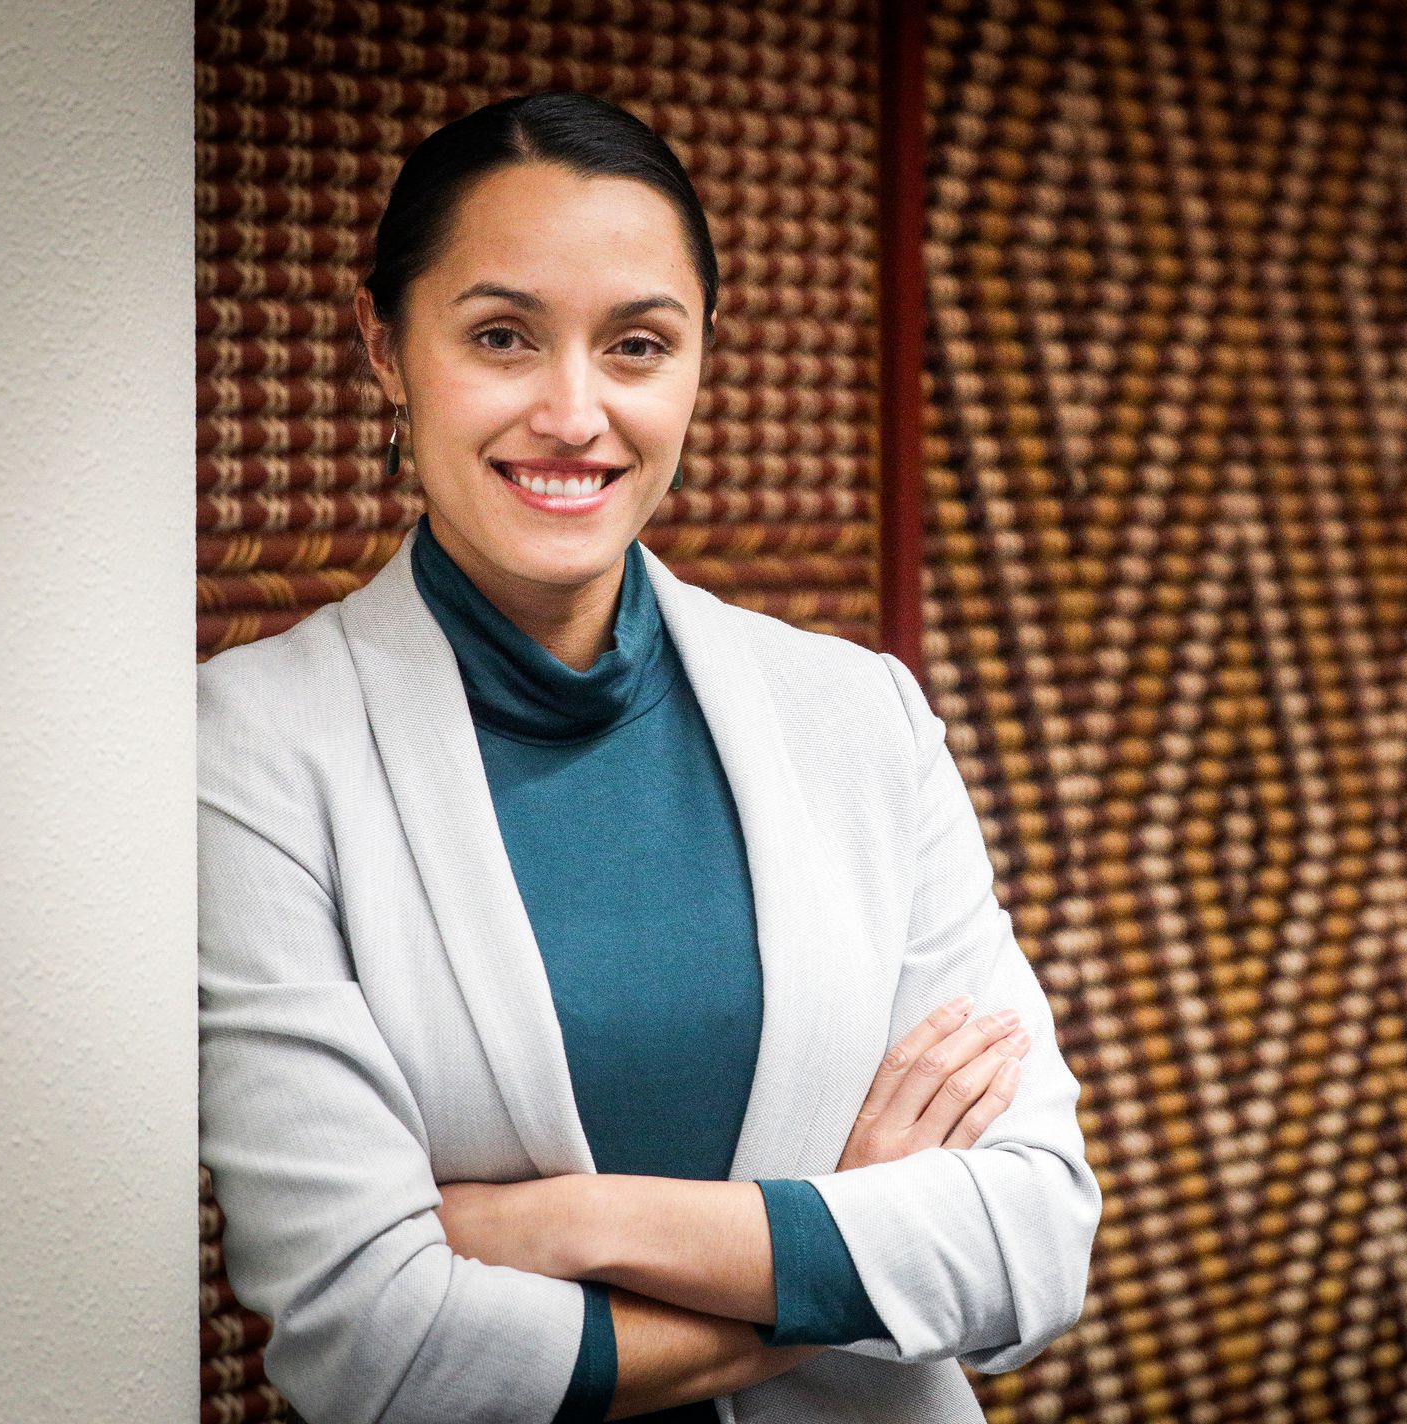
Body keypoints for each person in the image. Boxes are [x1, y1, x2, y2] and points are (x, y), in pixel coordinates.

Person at [197, 91, 1101, 1424]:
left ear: (698, 362)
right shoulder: (253, 755)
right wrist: (837, 1259)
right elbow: (378, 1351)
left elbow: (1030, 1244)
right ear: (384, 348)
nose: (575, 412)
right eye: (501, 337)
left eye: (636, 345)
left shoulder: (859, 715)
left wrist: (570, 1225)